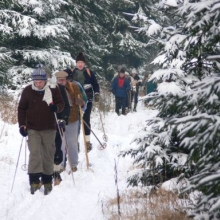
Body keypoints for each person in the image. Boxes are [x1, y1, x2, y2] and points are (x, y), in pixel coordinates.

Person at [17, 65, 64, 195]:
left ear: (45, 80)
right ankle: (34, 180)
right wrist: (22, 125)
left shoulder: (53, 90)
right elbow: (21, 109)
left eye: (40, 82)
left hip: (49, 127)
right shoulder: (27, 91)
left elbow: (61, 104)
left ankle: (47, 180)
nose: (38, 84)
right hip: (32, 128)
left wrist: (57, 108)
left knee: (48, 154)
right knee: (35, 153)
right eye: (36, 82)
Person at [64, 52, 100, 152]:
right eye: (78, 62)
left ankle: (87, 142)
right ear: (76, 63)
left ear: (84, 64)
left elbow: (95, 84)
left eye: (82, 62)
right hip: (75, 101)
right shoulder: (71, 72)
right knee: (76, 122)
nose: (80, 64)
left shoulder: (89, 72)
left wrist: (96, 93)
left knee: (86, 120)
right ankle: (76, 143)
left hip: (87, 99)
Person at [55, 71, 87, 173]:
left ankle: (74, 164)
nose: (61, 82)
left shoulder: (74, 87)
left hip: (72, 118)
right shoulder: (53, 89)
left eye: (63, 80)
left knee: (72, 141)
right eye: (59, 80)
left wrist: (81, 103)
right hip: (59, 119)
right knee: (60, 142)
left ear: (66, 79)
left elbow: (81, 101)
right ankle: (61, 164)